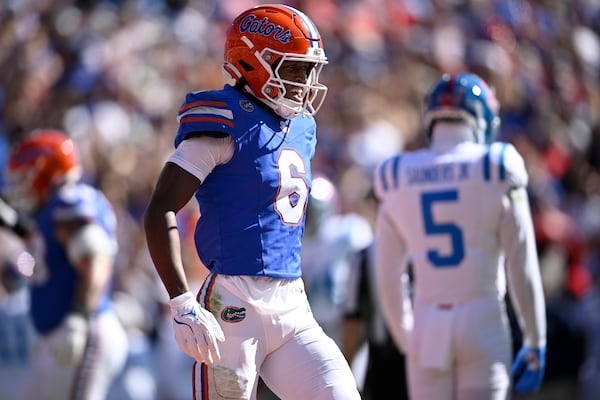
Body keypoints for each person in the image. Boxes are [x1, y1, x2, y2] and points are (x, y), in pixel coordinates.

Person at [143, 4, 361, 400]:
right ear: (251, 61)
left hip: (293, 303)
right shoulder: (223, 119)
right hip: (233, 303)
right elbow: (161, 209)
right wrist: (180, 301)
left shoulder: (302, 126)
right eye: (294, 68)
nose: (305, 82)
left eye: (309, 70)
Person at [372, 72, 547, 400]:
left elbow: (387, 274)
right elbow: (521, 266)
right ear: (482, 118)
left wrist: (406, 336)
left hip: (428, 317)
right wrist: (536, 338)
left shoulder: (397, 174)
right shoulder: (495, 166)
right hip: (482, 317)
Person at [2, 129, 128, 400]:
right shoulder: (54, 212)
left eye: (24, 177)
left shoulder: (71, 200)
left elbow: (96, 257)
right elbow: (45, 242)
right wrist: (10, 220)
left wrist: (78, 319)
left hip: (82, 329)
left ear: (45, 171)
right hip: (56, 336)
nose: (19, 186)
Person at [342, 242, 409, 400]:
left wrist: (347, 367)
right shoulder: (421, 247)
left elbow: (352, 321)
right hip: (424, 358)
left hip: (383, 365)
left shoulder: (366, 255)